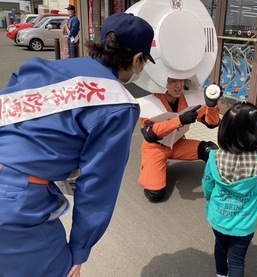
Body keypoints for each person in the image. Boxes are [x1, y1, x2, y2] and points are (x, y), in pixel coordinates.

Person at [0, 12, 155, 277]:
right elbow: (98, 186)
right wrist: (79, 250)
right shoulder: (117, 104)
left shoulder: (40, 66)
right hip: (17, 204)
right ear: (137, 59)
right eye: (144, 63)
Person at [202, 101, 257, 277]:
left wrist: (210, 198)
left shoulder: (214, 156)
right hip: (245, 223)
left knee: (220, 246)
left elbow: (207, 184)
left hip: (218, 216)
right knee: (236, 260)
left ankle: (220, 274)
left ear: (225, 130)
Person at [138, 78, 221, 202]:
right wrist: (179, 120)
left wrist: (212, 106)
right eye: (172, 81)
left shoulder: (189, 98)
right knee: (155, 194)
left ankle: (220, 183)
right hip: (155, 148)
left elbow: (212, 123)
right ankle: (149, 167)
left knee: (211, 151)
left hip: (178, 143)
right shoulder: (150, 103)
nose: (178, 85)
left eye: (181, 80)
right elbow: (150, 134)